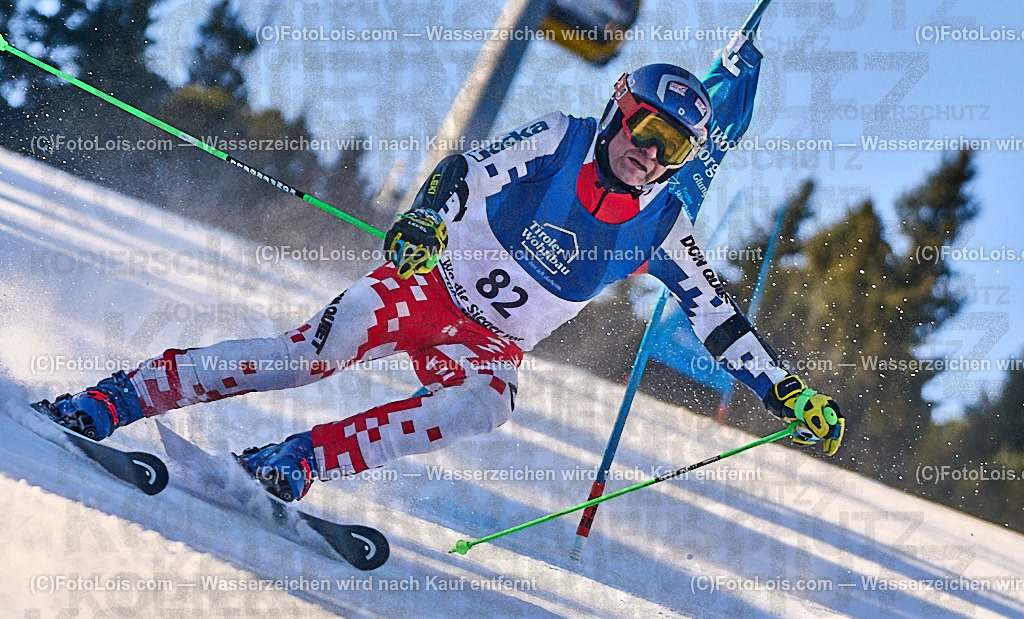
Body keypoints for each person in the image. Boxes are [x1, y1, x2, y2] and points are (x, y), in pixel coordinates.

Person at [34, 63, 845, 502]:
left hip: (488, 341)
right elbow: (469, 170)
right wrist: (427, 218)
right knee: (312, 355)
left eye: (678, 147)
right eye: (651, 130)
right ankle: (123, 396)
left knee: (486, 402)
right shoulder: (563, 139)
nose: (655, 154)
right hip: (430, 285)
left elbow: (719, 318)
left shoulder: (662, 222)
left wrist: (786, 393)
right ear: (620, 111)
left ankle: (297, 459)